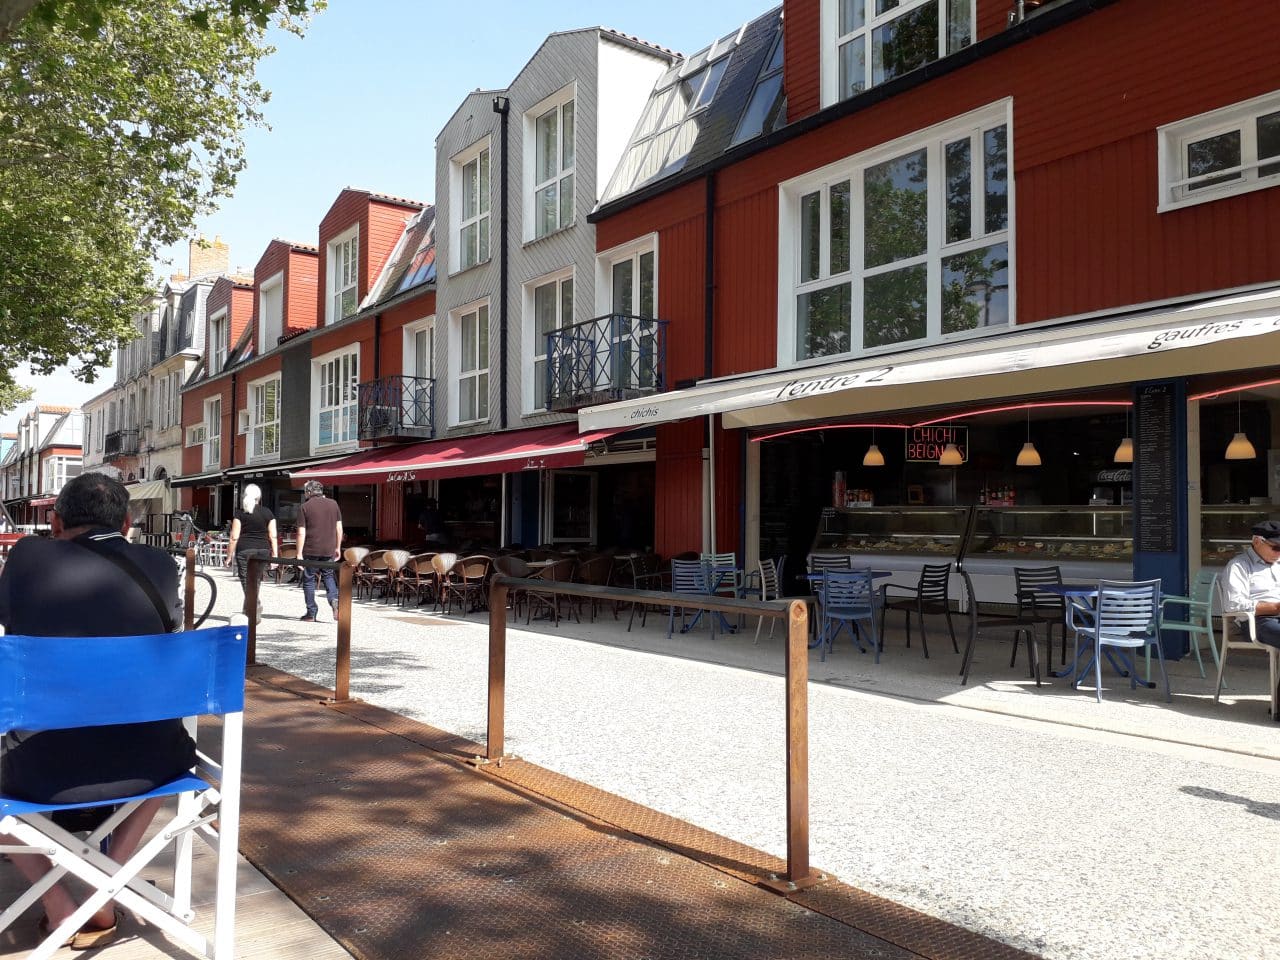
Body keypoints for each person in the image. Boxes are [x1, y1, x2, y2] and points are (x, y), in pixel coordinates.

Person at [0, 472, 192, 949]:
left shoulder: (27, 558)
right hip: (152, 766)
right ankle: (105, 889)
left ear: (55, 521)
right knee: (175, 749)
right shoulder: (161, 565)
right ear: (126, 523)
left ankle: (60, 907)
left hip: (40, 768)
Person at [1223, 519, 1280, 649]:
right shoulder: (1239, 565)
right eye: (1276, 548)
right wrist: (1275, 607)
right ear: (1257, 542)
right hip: (1258, 621)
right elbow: (1233, 605)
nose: (1279, 553)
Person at [225, 482, 277, 622]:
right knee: (256, 580)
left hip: (244, 550)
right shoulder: (268, 512)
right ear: (259, 497)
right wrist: (275, 555)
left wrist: (229, 556)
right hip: (263, 550)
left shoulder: (240, 513)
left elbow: (234, 537)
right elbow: (273, 535)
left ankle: (255, 606)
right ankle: (249, 611)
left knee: (246, 580)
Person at [296, 479, 343, 622]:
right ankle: (334, 600)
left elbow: (301, 532)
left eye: (305, 491)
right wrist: (337, 547)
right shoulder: (333, 504)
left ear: (309, 492)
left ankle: (311, 612)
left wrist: (299, 553)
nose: (305, 494)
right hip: (329, 548)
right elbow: (339, 528)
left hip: (311, 549)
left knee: (309, 579)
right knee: (328, 576)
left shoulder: (305, 507)